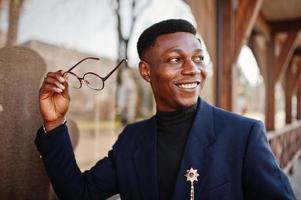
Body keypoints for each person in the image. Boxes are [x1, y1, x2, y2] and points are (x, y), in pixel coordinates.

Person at [35, 19, 296, 200]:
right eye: (175, 59)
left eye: (198, 58)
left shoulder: (243, 135)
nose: (193, 68)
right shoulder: (131, 140)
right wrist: (55, 123)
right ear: (146, 71)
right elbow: (79, 194)